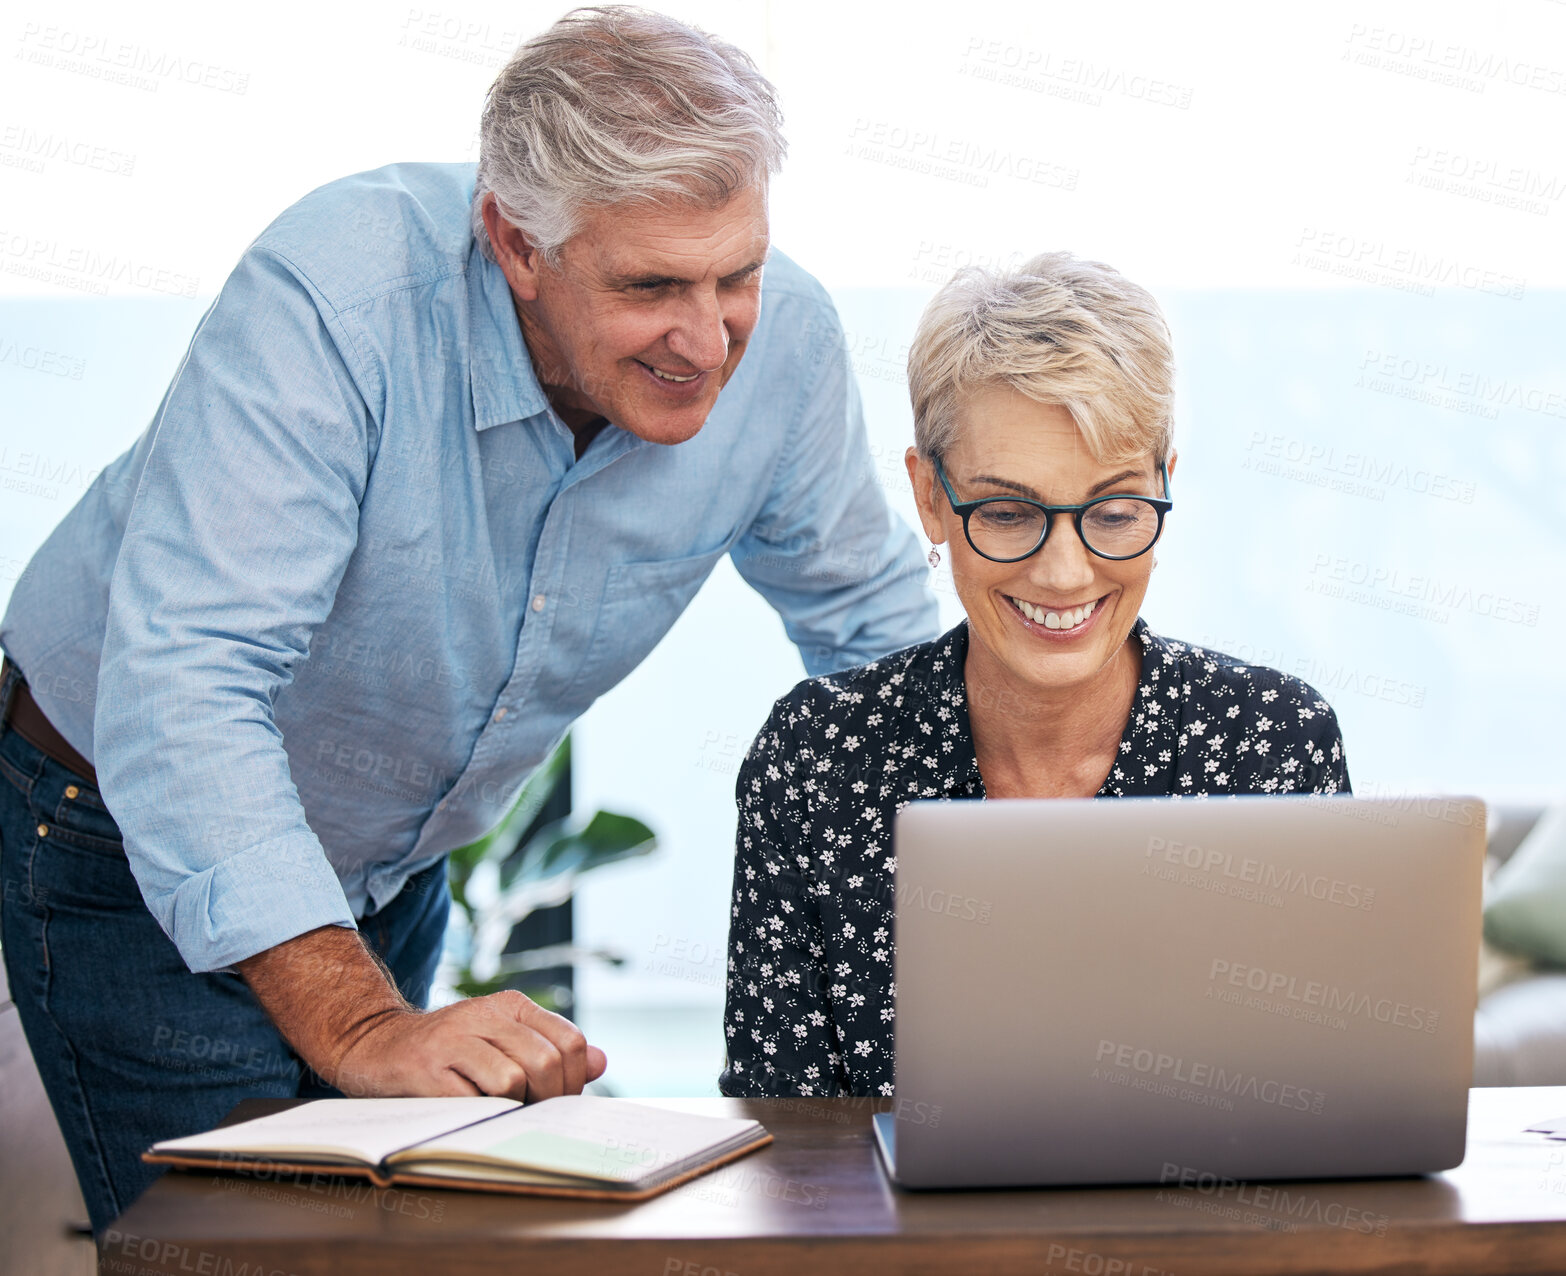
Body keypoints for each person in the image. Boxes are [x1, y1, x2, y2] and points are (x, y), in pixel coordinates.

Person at [0, 6, 937, 1231]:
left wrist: (1031, 893)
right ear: (514, 241)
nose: (709, 341)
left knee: (382, 1244)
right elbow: (188, 686)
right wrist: (368, 1022)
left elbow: (880, 644)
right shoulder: (338, 300)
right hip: (123, 829)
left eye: (737, 274)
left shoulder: (790, 345)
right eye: (651, 285)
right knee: (251, 1247)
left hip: (391, 863)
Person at [720, 252, 1351, 1099]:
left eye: (1116, 511)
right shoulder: (815, 757)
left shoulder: (1272, 741)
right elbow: (784, 1133)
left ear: (1167, 487)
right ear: (930, 498)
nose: (1064, 574)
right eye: (1009, 513)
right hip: (894, 1237)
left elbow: (1325, 1103)